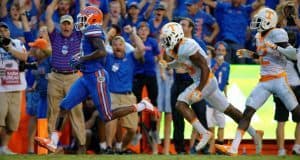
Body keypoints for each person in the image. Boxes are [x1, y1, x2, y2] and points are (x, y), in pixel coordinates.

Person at [35, 6, 154, 153]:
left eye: (84, 18)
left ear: (92, 19)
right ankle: (52, 142)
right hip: (86, 77)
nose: (81, 21)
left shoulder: (93, 31)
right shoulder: (86, 32)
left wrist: (82, 58)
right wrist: (81, 58)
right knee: (64, 106)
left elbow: (102, 52)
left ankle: (142, 105)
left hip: (97, 77)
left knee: (107, 115)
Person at [159, 22, 263, 154]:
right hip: (205, 81)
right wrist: (169, 65)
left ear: (176, 36)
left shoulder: (188, 46)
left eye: (167, 38)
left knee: (180, 103)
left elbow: (204, 67)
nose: (165, 41)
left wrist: (199, 89)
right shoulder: (172, 48)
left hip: (205, 80)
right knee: (229, 110)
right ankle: (255, 133)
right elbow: (182, 64)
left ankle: (204, 133)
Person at [215, 7, 300, 155]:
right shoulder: (259, 36)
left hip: (280, 80)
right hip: (265, 81)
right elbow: (262, 56)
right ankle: (234, 148)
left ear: (269, 22)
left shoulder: (278, 33)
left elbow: (292, 54)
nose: (257, 24)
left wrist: (275, 46)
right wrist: (249, 54)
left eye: (260, 21)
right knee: (248, 111)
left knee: (298, 113)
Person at [104, 25, 145, 154]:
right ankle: (109, 148)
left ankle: (121, 148)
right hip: (112, 95)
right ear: (112, 47)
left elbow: (142, 48)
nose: (117, 46)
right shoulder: (108, 58)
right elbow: (100, 45)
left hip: (128, 96)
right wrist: (109, 36)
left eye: (120, 44)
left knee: (133, 129)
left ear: (124, 46)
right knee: (111, 117)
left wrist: (132, 33)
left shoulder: (131, 57)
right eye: (115, 44)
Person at [0, 22, 28, 155]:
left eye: (5, 30)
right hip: (1, 88)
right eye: (0, 31)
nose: (2, 32)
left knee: (12, 123)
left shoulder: (17, 43)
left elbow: (24, 57)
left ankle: (4, 148)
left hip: (16, 87)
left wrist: (9, 48)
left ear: (9, 32)